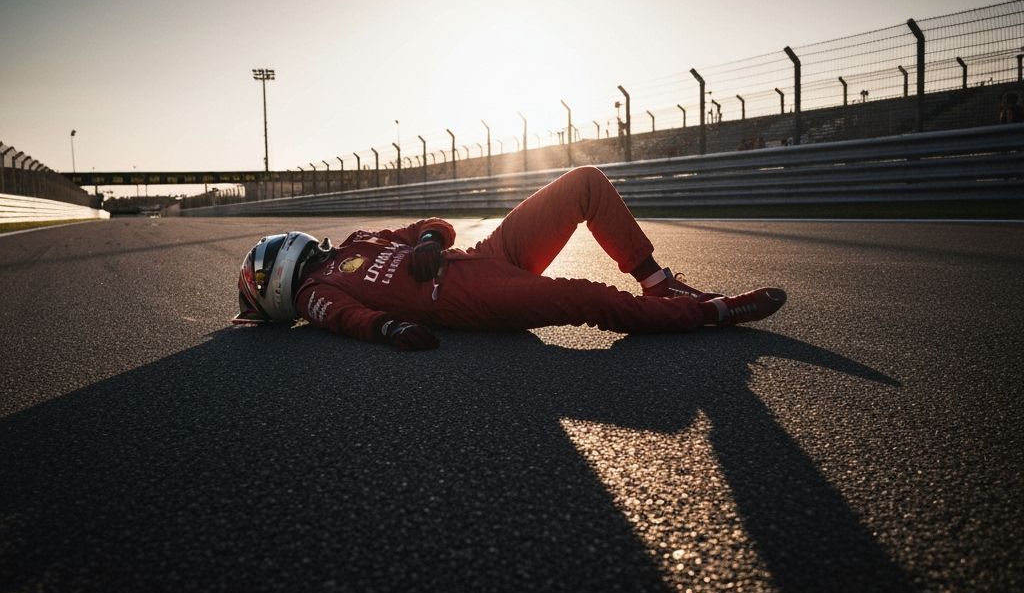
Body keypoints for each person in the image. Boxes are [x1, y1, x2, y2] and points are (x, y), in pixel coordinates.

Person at [232, 165, 786, 351]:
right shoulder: (312, 296)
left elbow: (430, 225)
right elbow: (348, 319)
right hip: (466, 299)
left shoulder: (355, 242)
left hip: (482, 256)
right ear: (278, 274)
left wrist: (428, 240)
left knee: (583, 183)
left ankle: (658, 282)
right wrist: (390, 328)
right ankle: (710, 313)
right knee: (584, 297)